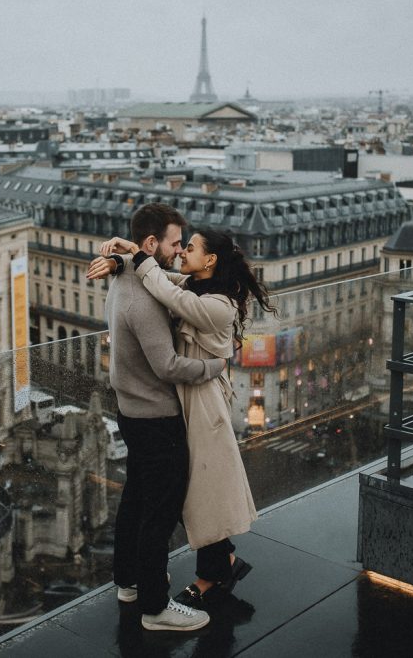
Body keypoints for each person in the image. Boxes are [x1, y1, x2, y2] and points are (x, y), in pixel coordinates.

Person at [88, 227, 275, 606]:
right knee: (190, 491)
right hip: (185, 399)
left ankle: (212, 575)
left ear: (210, 260)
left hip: (204, 403)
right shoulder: (194, 285)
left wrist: (135, 257)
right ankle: (225, 562)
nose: (183, 251)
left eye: (190, 247)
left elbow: (165, 290)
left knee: (200, 492)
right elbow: (162, 280)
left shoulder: (217, 304)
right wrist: (124, 258)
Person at [101, 203, 226, 632]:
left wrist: (123, 256)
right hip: (156, 417)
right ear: (151, 244)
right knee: (159, 511)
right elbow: (169, 366)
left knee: (135, 501)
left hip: (131, 411)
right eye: (175, 242)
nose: (179, 250)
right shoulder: (143, 301)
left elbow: (169, 280)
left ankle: (129, 583)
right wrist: (215, 367)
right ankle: (156, 608)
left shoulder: (124, 277)